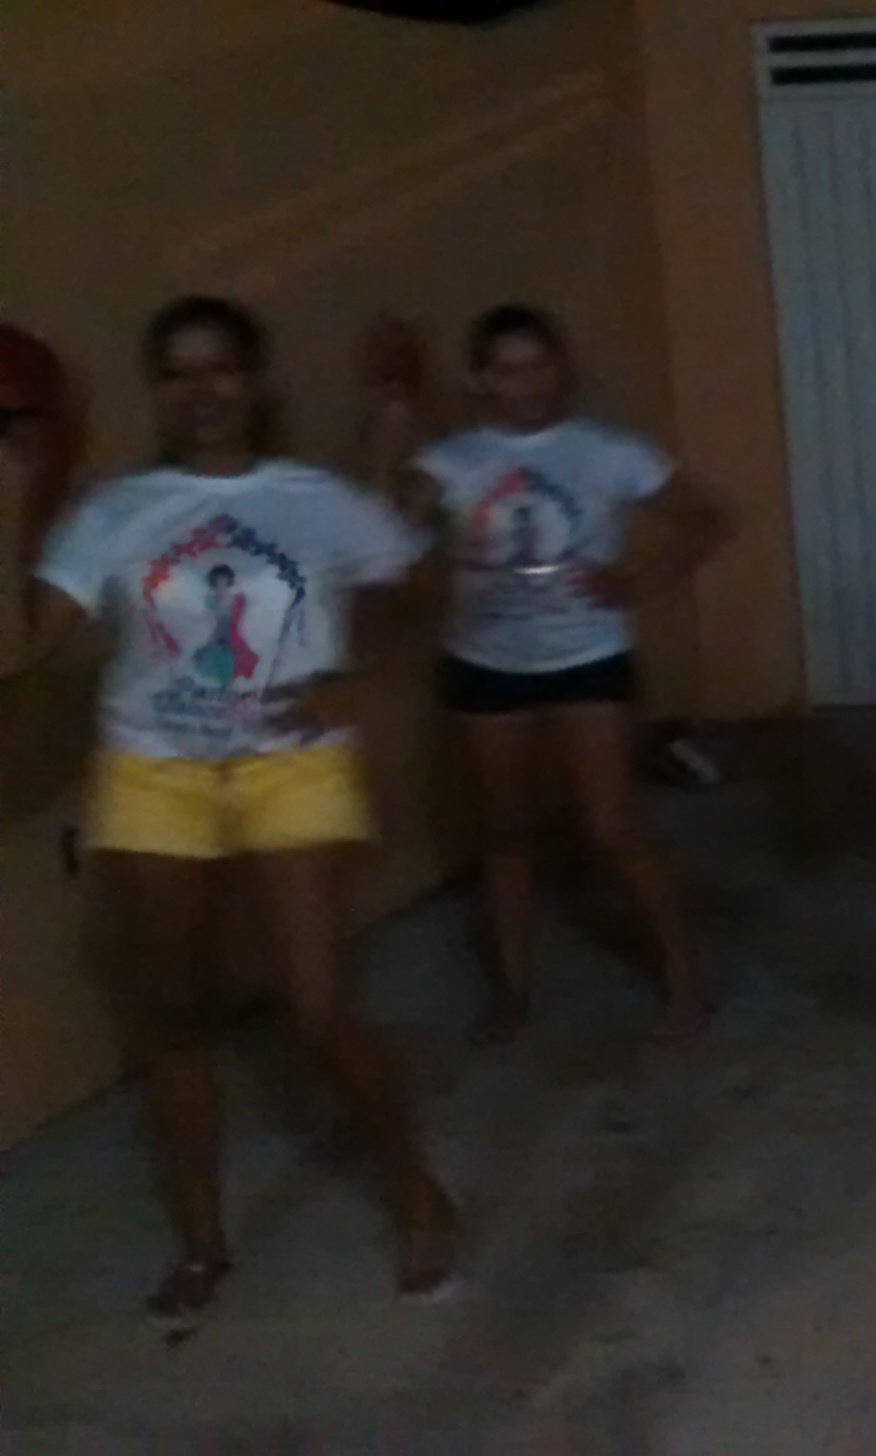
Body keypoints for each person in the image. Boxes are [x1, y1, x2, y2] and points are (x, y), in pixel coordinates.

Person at [4, 296, 457, 1321]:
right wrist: (39, 491)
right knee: (169, 1018)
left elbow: (427, 586)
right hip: (153, 771)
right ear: (154, 390)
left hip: (289, 764)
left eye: (218, 368)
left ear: (254, 381)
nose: (199, 391)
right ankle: (203, 1243)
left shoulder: (314, 500)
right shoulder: (117, 511)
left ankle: (419, 1195)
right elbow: (41, 641)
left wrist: (348, 681)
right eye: (175, 372)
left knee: (318, 1008)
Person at [368, 305, 725, 1044]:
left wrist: (641, 580)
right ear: (480, 380)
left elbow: (703, 518)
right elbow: (381, 536)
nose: (524, 383)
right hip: (486, 662)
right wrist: (394, 416)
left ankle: (685, 979)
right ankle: (512, 990)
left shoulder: (608, 451)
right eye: (506, 369)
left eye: (536, 365)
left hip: (588, 655)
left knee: (612, 829)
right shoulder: (457, 460)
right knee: (505, 833)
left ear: (562, 369)